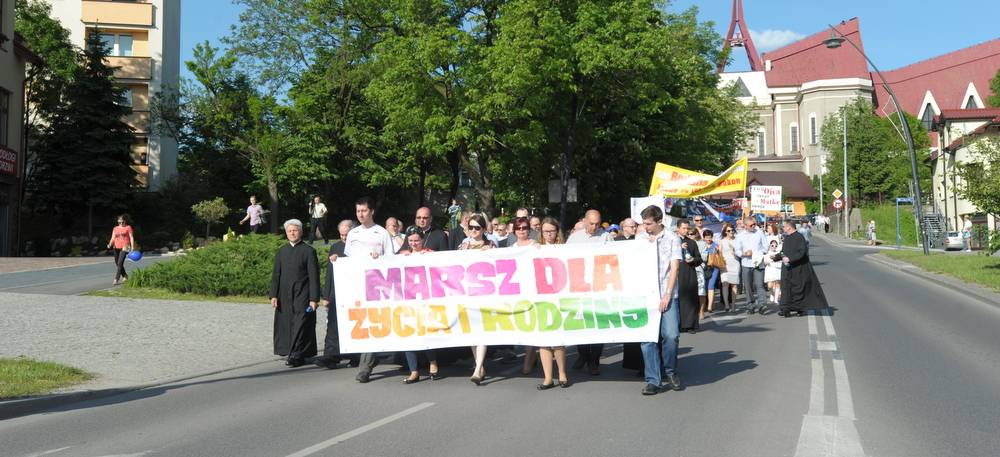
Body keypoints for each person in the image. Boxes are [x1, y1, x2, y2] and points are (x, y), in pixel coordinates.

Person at [347, 197, 397, 383]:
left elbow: (391, 260)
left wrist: (380, 258)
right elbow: (347, 260)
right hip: (357, 285)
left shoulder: (382, 233)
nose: (360, 214)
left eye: (364, 211)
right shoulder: (353, 233)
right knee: (362, 323)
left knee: (373, 322)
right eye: (358, 211)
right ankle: (369, 359)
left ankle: (365, 367)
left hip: (376, 285)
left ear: (372, 211)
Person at [638, 205, 683, 395]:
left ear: (659, 221)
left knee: (671, 335)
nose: (645, 227)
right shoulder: (640, 239)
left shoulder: (672, 238)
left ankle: (670, 371)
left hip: (667, 294)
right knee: (648, 339)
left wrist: (667, 294)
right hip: (646, 295)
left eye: (649, 224)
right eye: (644, 223)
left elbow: (675, 267)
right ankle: (653, 380)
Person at [270, 219, 321, 368]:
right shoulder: (281, 251)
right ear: (286, 233)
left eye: (295, 230)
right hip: (284, 295)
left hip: (303, 294)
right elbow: (276, 274)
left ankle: (297, 355)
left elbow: (314, 276)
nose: (292, 233)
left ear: (301, 232)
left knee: (301, 323)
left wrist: (314, 298)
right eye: (289, 231)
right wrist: (273, 295)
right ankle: (289, 351)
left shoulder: (309, 251)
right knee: (286, 324)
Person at [567, 209, 612, 375]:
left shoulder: (606, 237)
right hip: (581, 286)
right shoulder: (575, 238)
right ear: (585, 221)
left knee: (599, 323)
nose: (595, 227)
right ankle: (583, 354)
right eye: (592, 223)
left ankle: (594, 360)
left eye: (597, 224)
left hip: (600, 286)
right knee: (582, 323)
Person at [398, 226, 441, 383]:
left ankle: (433, 362)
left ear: (422, 239)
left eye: (416, 240)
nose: (414, 243)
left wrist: (431, 258)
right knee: (408, 334)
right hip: (408, 300)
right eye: (410, 241)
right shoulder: (402, 255)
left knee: (426, 332)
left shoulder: (430, 253)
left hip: (426, 300)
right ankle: (414, 371)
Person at [314, 219, 357, 370]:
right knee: (333, 325)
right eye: (341, 235)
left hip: (355, 293)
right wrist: (326, 296)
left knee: (353, 325)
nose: (344, 238)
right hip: (337, 293)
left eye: (347, 235)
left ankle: (355, 356)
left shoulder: (359, 247)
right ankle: (331, 356)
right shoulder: (335, 247)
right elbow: (329, 274)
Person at [458, 213, 496, 385]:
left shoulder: (491, 245)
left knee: (482, 332)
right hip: (468, 293)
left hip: (485, 294)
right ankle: (480, 367)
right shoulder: (464, 245)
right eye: (471, 227)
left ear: (483, 229)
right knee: (473, 333)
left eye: (477, 228)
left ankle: (477, 368)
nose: (474, 230)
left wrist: (491, 254)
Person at [535, 217, 570, 389]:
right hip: (540, 298)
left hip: (558, 297)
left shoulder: (564, 249)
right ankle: (547, 377)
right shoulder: (535, 248)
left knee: (557, 338)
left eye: (552, 231)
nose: (549, 234)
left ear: (557, 232)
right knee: (543, 340)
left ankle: (562, 373)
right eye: (545, 231)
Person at [777, 220, 829, 317]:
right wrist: (776, 257)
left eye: (784, 226)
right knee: (785, 288)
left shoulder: (799, 237)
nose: (783, 228)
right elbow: (783, 252)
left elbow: (802, 252)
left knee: (798, 289)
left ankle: (800, 309)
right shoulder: (787, 238)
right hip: (787, 269)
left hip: (798, 268)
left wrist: (790, 259)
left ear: (789, 227)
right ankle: (785, 309)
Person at [734, 216, 768, 314]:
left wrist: (756, 253)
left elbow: (766, 247)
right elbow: (737, 250)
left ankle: (762, 305)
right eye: (751, 225)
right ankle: (750, 305)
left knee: (759, 284)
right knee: (748, 286)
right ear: (745, 226)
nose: (753, 226)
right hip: (746, 263)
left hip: (758, 262)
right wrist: (744, 254)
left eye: (754, 224)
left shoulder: (759, 233)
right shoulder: (740, 236)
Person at [677, 221, 703, 333]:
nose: (686, 230)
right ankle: (680, 324)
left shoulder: (692, 242)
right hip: (677, 274)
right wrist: (679, 247)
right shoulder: (673, 241)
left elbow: (699, 259)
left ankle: (691, 325)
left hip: (690, 273)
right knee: (679, 300)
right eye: (683, 228)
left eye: (687, 228)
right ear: (678, 228)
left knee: (691, 299)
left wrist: (693, 259)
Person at [106, 214, 135, 286]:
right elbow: (113, 238)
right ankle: (125, 275)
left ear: (125, 221)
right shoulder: (115, 228)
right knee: (117, 263)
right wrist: (110, 244)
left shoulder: (128, 227)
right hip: (116, 246)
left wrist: (132, 247)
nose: (121, 223)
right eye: (119, 222)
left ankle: (116, 279)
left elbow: (131, 237)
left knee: (120, 263)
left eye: (122, 222)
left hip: (125, 247)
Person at [718, 223, 740, 312]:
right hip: (725, 264)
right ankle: (727, 304)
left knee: (734, 285)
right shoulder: (722, 241)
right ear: (725, 232)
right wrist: (721, 263)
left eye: (732, 230)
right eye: (729, 230)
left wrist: (734, 251)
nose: (731, 232)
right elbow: (719, 254)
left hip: (735, 263)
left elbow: (740, 253)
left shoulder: (737, 240)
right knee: (725, 284)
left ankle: (733, 305)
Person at [701, 229, 721, 316]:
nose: (708, 239)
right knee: (705, 287)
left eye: (710, 237)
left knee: (710, 286)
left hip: (714, 268)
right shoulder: (702, 245)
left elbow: (719, 255)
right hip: (704, 268)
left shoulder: (715, 245)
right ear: (704, 238)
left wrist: (718, 251)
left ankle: (709, 306)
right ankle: (710, 304)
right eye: (707, 237)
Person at [764, 239, 782, 304]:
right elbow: (765, 262)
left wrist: (776, 260)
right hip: (770, 270)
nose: (774, 247)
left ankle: (776, 300)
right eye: (772, 245)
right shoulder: (767, 253)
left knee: (777, 284)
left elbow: (781, 261)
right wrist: (769, 261)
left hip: (777, 270)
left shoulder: (779, 253)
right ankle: (772, 293)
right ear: (770, 245)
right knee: (770, 286)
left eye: (775, 246)